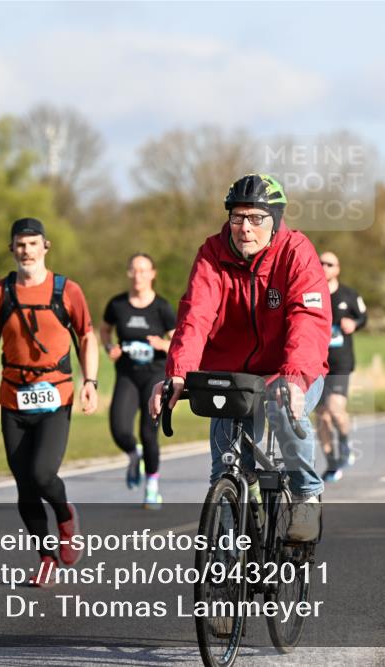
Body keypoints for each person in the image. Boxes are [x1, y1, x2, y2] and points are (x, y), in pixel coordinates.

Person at [149, 174, 330, 542]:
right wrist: (179, 374)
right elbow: (195, 316)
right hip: (232, 377)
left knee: (283, 410)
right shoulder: (213, 254)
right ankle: (231, 552)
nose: (245, 228)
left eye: (256, 218)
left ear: (274, 220)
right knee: (226, 467)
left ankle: (306, 495)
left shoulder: (296, 253)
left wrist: (294, 378)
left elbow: (308, 321)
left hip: (288, 372)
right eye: (237, 217)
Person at [0, 218, 98, 587]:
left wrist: (90, 381)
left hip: (56, 395)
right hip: (13, 398)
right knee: (24, 487)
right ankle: (46, 556)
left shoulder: (68, 290)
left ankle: (66, 517)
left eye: (33, 244)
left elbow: (86, 336)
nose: (27, 251)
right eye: (20, 244)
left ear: (45, 247)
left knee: (42, 475)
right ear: (12, 249)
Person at [99, 253, 176, 508]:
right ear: (128, 273)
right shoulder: (118, 305)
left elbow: (179, 342)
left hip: (154, 376)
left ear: (153, 274)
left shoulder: (162, 307)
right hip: (127, 375)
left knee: (148, 432)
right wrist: (110, 347)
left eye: (144, 270)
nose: (139, 275)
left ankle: (152, 487)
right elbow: (105, 330)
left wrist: (163, 344)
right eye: (134, 270)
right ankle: (134, 455)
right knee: (119, 429)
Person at [316, 251, 367, 482]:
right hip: (315, 363)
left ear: (337, 269)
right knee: (322, 417)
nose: (324, 266)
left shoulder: (348, 294)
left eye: (329, 264)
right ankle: (332, 462)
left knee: (335, 409)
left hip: (340, 362)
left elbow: (364, 317)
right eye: (320, 263)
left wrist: (354, 323)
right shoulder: (310, 292)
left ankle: (345, 443)